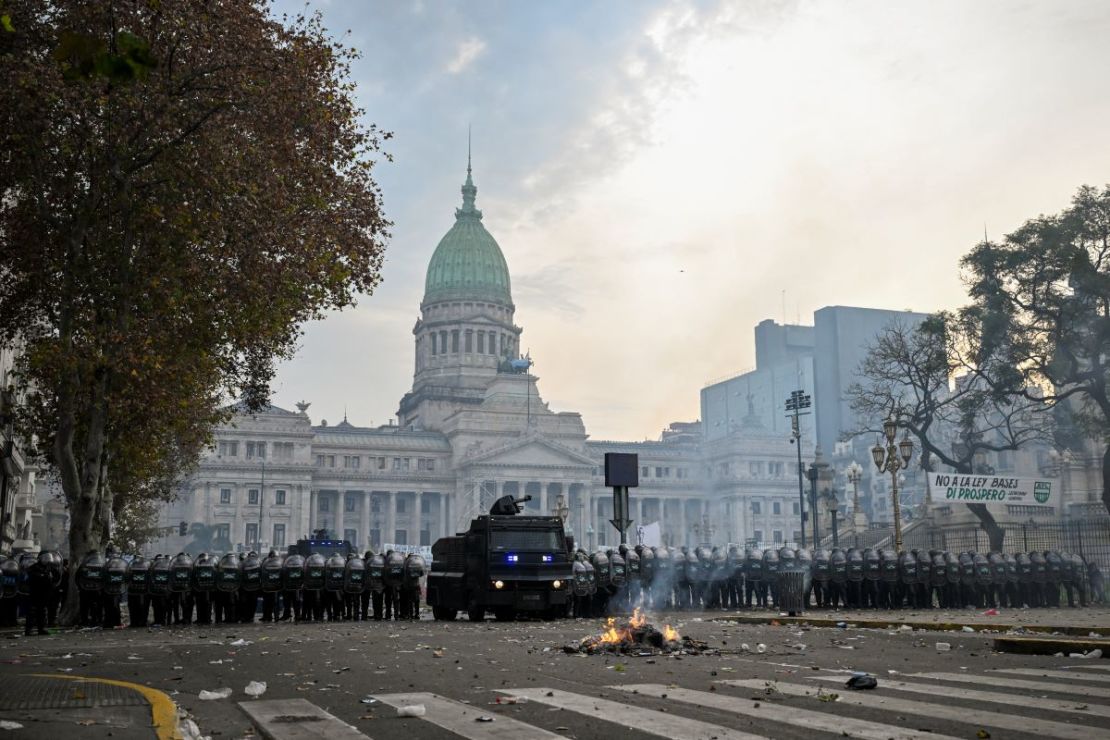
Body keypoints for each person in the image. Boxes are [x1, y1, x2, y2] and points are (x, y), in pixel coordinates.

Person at [24, 556, 53, 636]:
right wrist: (42, 576)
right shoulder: (33, 567)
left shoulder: (49, 568)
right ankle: (28, 630)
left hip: (44, 593)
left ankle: (41, 629)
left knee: (42, 611)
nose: (46, 561)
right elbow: (31, 578)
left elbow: (53, 578)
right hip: (35, 592)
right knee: (32, 612)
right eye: (45, 559)